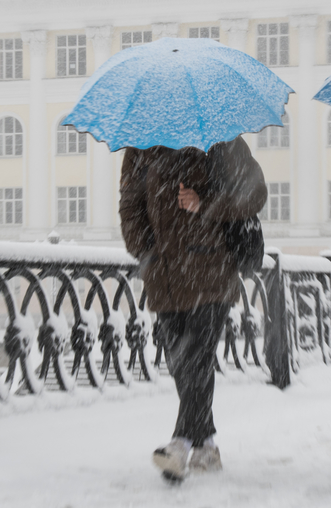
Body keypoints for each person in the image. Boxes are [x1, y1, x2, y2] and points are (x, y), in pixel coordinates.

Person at [119, 136, 267, 482]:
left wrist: (207, 204)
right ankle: (207, 444)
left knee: (196, 357)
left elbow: (255, 193)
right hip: (165, 278)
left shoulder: (219, 138)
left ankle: (181, 444)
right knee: (182, 364)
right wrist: (149, 254)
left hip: (212, 272)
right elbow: (130, 207)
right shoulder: (140, 146)